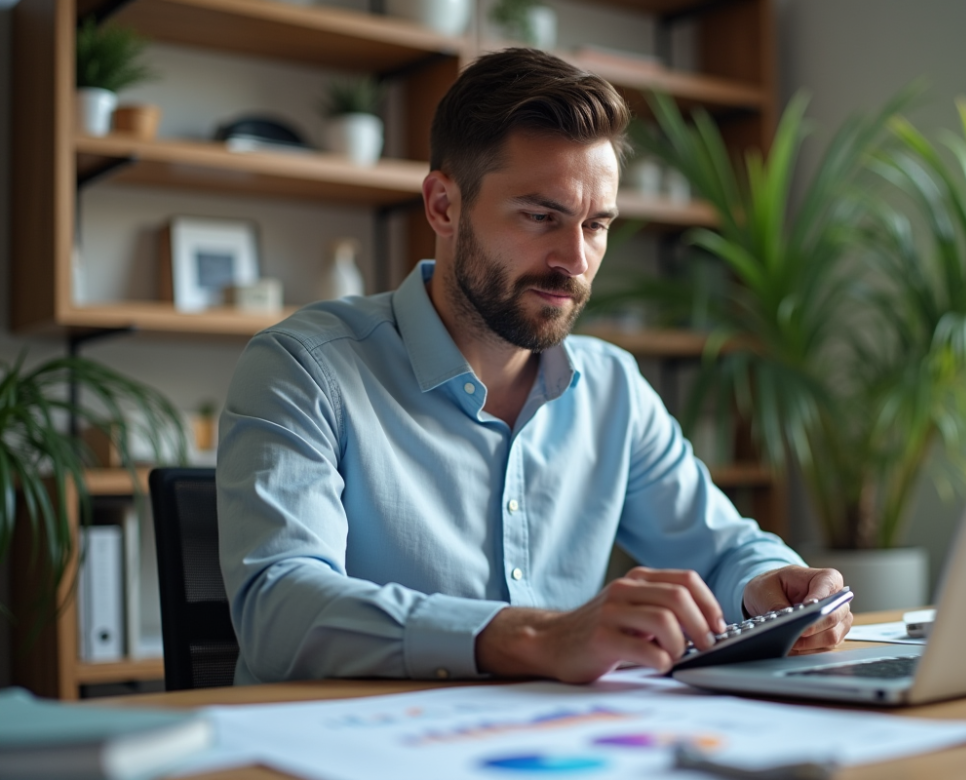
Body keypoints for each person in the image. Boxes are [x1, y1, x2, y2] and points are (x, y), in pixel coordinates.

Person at [217, 48, 852, 686]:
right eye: (541, 216)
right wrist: (533, 637)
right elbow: (278, 609)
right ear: (443, 205)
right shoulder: (304, 368)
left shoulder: (613, 388)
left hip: (563, 734)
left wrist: (771, 584)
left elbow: (723, 549)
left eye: (596, 225)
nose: (574, 260)